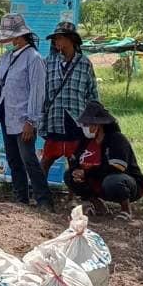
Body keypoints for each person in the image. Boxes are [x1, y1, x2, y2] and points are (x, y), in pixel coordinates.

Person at [0, 13, 52, 210]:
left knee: (29, 160)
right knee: (13, 159)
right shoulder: (6, 57)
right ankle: (21, 199)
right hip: (7, 117)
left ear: (18, 36)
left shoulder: (33, 59)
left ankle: (44, 201)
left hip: (24, 119)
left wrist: (31, 121)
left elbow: (37, 92)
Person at [65, 101, 143, 219]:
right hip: (96, 182)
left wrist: (87, 173)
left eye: (87, 124)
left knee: (112, 180)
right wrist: (75, 171)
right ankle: (97, 204)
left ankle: (126, 210)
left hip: (124, 182)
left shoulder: (117, 140)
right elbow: (75, 160)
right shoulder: (85, 141)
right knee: (69, 176)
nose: (84, 128)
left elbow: (117, 167)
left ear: (98, 125)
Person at [40, 19, 99, 174]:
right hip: (55, 118)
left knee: (76, 162)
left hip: (76, 120)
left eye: (60, 37)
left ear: (71, 39)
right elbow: (41, 93)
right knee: (47, 159)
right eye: (55, 39)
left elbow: (92, 93)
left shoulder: (85, 63)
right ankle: (39, 193)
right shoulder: (48, 62)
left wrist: (95, 119)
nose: (56, 41)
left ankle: (74, 195)